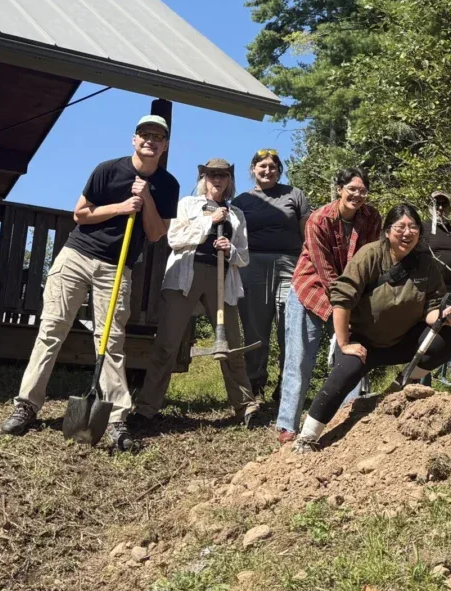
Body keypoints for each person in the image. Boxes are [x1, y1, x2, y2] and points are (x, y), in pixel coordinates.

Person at [0, 115, 179, 450]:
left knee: (110, 341)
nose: (150, 140)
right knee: (52, 329)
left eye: (158, 136)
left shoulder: (168, 185)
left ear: (165, 145)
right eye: (145, 134)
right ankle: (26, 405)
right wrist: (122, 207)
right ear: (134, 139)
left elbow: (156, 234)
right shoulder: (107, 170)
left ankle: (116, 420)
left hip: (116, 267)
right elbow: (80, 214)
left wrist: (147, 200)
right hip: (77, 256)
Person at [292, 204, 451, 452]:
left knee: (446, 339)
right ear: (387, 231)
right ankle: (307, 437)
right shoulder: (370, 255)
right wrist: (344, 343)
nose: (407, 233)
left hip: (401, 341)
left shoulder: (425, 263)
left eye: (413, 227)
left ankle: (401, 384)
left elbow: (432, 308)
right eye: (400, 227)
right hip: (363, 341)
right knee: (343, 377)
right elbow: (342, 299)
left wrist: (443, 316)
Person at [130, 158, 259, 434]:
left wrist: (229, 249)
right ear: (204, 178)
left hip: (221, 278)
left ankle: (246, 406)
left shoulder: (236, 214)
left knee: (231, 344)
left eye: (222, 175)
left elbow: (244, 256)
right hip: (184, 277)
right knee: (167, 344)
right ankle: (146, 408)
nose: (217, 179)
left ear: (229, 180)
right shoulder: (188, 205)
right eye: (212, 175)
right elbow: (175, 238)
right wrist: (209, 220)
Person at [275, 167, 382, 442]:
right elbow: (325, 272)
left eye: (362, 191)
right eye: (352, 189)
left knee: (351, 354)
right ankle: (287, 425)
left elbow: (371, 259)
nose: (357, 195)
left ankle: (346, 418)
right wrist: (346, 305)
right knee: (300, 358)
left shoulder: (372, 218)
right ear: (339, 190)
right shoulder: (318, 219)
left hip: (351, 293)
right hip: (311, 289)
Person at [232, 150, 311, 404]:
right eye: (262, 166)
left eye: (273, 167)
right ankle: (255, 386)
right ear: (253, 169)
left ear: (279, 171)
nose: (267, 171)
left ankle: (287, 387)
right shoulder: (242, 201)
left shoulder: (294, 195)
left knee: (290, 326)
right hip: (252, 265)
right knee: (255, 328)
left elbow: (308, 233)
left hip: (290, 264)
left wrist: (309, 264)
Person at [423, 191, 451, 288]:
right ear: (429, 206)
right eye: (437, 204)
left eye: (444, 204)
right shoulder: (422, 228)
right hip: (428, 289)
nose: (441, 208)